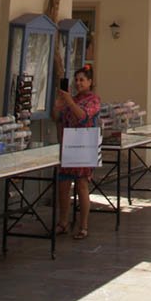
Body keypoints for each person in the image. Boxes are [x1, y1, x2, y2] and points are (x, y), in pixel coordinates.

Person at [53, 65, 101, 240]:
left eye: (82, 80)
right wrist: (58, 105)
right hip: (68, 145)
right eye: (77, 80)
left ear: (90, 82)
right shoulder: (70, 98)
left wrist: (70, 102)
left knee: (81, 185)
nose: (79, 83)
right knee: (64, 185)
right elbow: (57, 118)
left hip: (84, 145)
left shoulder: (93, 100)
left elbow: (83, 116)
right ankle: (63, 222)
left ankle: (83, 225)